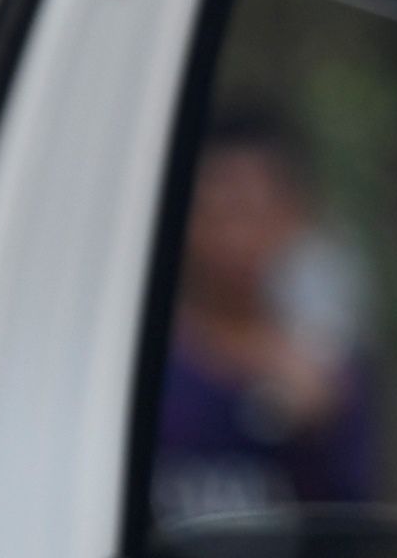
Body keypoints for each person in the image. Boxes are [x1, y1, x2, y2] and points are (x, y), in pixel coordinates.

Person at [153, 100, 381, 523]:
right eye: (213, 213)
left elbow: (359, 522)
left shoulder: (334, 373)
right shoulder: (141, 362)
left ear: (295, 217)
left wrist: (323, 427)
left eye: (249, 212)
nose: (232, 238)